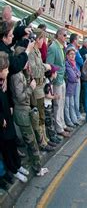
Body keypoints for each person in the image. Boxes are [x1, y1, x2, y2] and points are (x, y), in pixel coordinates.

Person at [10, 47, 49, 177]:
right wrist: (31, 87)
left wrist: (28, 74)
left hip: (25, 111)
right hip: (21, 112)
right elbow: (21, 97)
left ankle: (37, 167)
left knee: (33, 140)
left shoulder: (21, 73)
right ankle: (37, 169)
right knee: (31, 142)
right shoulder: (16, 76)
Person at [0, 52, 30, 183]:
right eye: (5, 70)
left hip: (7, 114)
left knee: (12, 142)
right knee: (6, 146)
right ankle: (13, 169)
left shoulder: (2, 81)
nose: (7, 72)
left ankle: (17, 166)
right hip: (2, 121)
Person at [27, 29, 55, 151]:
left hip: (40, 86)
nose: (44, 41)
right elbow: (33, 70)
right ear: (38, 39)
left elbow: (39, 66)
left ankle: (44, 139)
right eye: (42, 38)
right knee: (39, 116)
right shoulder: (31, 52)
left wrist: (44, 67)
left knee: (41, 115)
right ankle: (42, 142)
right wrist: (46, 67)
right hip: (36, 88)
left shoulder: (36, 50)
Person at [46, 28, 71, 138]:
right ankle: (59, 128)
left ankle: (62, 124)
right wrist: (55, 75)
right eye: (65, 35)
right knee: (57, 104)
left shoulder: (61, 47)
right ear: (59, 35)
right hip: (56, 80)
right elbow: (49, 64)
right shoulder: (53, 47)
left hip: (62, 79)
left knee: (62, 103)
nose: (66, 37)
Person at [67, 34, 84, 122]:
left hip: (74, 74)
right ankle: (76, 116)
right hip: (74, 75)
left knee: (72, 99)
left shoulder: (71, 48)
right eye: (77, 39)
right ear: (74, 40)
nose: (78, 42)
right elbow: (81, 61)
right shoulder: (74, 49)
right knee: (74, 98)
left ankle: (74, 116)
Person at [64, 48, 81, 128]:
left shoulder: (73, 63)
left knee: (72, 104)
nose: (73, 56)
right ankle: (68, 121)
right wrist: (76, 76)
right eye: (71, 54)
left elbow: (79, 73)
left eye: (74, 54)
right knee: (67, 106)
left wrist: (77, 75)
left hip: (72, 88)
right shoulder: (67, 63)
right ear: (67, 55)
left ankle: (74, 120)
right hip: (68, 88)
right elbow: (72, 77)